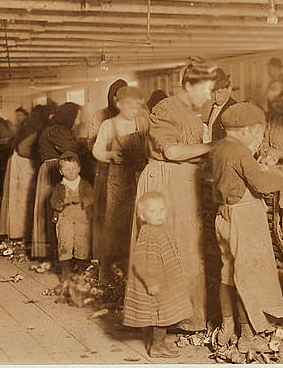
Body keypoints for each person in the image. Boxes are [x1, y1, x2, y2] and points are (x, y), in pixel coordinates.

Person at [132, 60, 215, 332]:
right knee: (170, 248)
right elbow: (172, 152)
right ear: (189, 85)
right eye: (205, 89)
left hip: (183, 182)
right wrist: (213, 146)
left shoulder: (192, 112)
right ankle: (167, 319)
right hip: (165, 181)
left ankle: (188, 317)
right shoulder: (166, 108)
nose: (208, 96)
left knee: (189, 248)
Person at [212, 102, 283, 351]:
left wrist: (257, 162)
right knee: (248, 277)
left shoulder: (220, 147)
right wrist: (279, 177)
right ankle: (247, 335)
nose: (258, 135)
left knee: (227, 273)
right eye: (256, 130)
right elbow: (261, 184)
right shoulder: (241, 152)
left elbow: (237, 176)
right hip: (244, 217)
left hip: (224, 214)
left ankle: (226, 328)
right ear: (245, 129)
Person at [122, 192, 192, 359]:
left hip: (165, 280)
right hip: (155, 282)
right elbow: (143, 261)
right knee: (161, 314)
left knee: (163, 313)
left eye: (161, 209)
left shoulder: (160, 229)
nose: (159, 214)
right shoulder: (148, 234)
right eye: (153, 211)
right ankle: (157, 347)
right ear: (142, 216)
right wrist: (151, 282)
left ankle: (156, 342)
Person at [92, 86, 149, 283]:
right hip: (118, 180)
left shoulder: (142, 123)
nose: (134, 109)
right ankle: (110, 276)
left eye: (136, 106)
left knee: (139, 224)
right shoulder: (108, 125)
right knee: (115, 226)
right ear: (118, 104)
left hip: (139, 178)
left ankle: (135, 276)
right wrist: (109, 155)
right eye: (129, 105)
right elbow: (97, 150)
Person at [31, 102, 81, 259]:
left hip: (51, 168)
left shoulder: (55, 128)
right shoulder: (56, 130)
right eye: (77, 116)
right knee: (56, 210)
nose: (78, 119)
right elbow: (72, 149)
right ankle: (56, 250)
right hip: (54, 169)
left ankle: (53, 249)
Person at [85, 79, 128, 260]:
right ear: (110, 97)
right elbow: (91, 144)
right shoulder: (100, 116)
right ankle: (104, 256)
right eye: (115, 95)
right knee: (106, 211)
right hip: (105, 170)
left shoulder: (137, 115)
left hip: (128, 172)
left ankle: (124, 257)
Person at [50, 151, 94, 282]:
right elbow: (54, 201)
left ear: (79, 168)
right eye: (67, 169)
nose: (71, 172)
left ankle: (80, 270)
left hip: (82, 219)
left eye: (74, 168)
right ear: (61, 172)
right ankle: (65, 270)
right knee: (65, 242)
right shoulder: (59, 187)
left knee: (83, 242)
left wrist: (85, 201)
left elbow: (91, 198)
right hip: (65, 219)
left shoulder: (84, 185)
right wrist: (60, 203)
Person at [0, 107, 39, 240]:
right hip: (21, 163)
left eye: (20, 116)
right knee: (21, 198)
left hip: (18, 162)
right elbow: (22, 148)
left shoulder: (26, 126)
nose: (19, 118)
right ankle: (18, 231)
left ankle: (14, 230)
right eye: (18, 116)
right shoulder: (29, 128)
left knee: (16, 197)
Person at [205, 68, 238, 143]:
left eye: (219, 93)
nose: (216, 97)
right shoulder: (214, 106)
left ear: (229, 90)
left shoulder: (233, 108)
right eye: (214, 93)